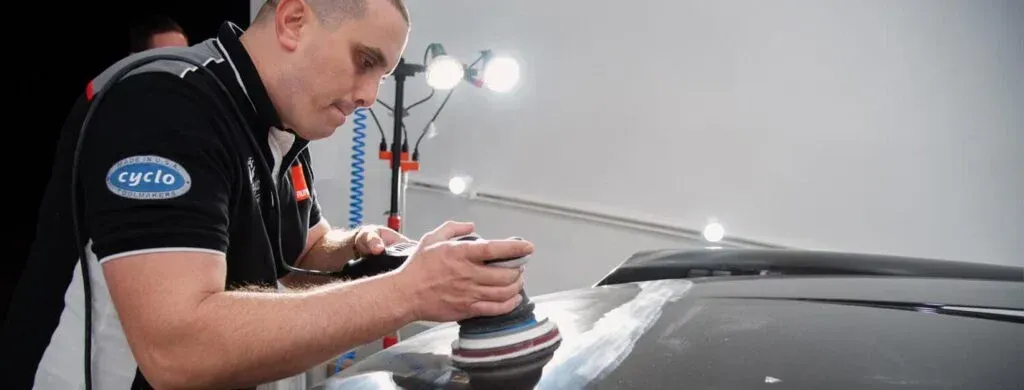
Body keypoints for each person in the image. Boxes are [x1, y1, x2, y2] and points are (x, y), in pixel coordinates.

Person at [2, 0, 533, 389]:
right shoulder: (164, 107)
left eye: (383, 73)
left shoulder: (281, 124)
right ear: (294, 20)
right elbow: (176, 348)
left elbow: (303, 248)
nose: (371, 95)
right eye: (364, 61)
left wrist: (379, 253)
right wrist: (411, 293)